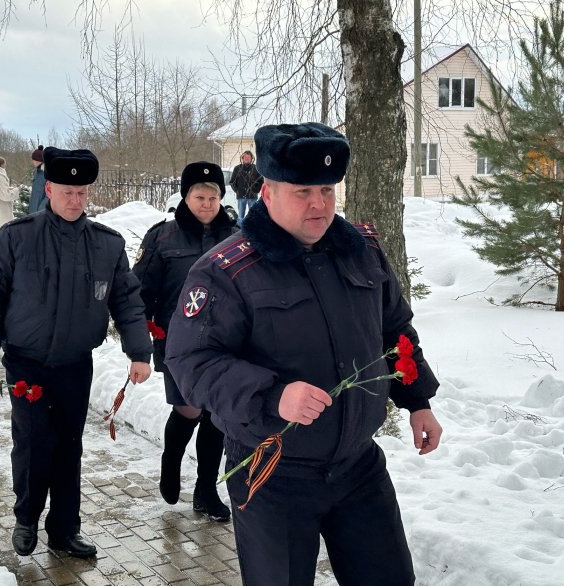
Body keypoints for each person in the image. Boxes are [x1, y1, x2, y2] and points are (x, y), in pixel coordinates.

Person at [165, 123, 443, 586]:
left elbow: (394, 330)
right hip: (272, 470)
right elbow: (192, 362)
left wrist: (417, 401)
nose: (319, 204)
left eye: (327, 190)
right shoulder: (225, 270)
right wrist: (273, 395)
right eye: (303, 191)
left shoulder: (362, 251)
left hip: (357, 466)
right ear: (268, 191)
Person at [0, 146, 153, 559]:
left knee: (69, 446)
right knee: (33, 443)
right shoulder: (17, 237)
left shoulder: (107, 245)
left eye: (81, 193)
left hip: (74, 365)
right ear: (48, 188)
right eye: (66, 191)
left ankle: (65, 529)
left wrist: (139, 352)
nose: (74, 200)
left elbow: (127, 301)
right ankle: (26, 519)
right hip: (25, 362)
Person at [133, 161, 237, 522]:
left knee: (216, 416)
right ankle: (171, 460)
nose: (207, 203)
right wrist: (142, 337)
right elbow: (140, 290)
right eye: (199, 196)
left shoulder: (237, 236)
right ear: (185, 196)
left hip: (226, 344)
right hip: (177, 342)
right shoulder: (162, 237)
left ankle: (206, 490)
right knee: (188, 409)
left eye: (213, 196)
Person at [228, 150, 262, 225]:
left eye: (248, 157)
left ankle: (252, 230)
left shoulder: (255, 168)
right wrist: (237, 190)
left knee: (253, 215)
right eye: (245, 157)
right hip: (241, 196)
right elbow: (232, 182)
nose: (247, 158)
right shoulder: (237, 168)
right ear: (242, 158)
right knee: (241, 216)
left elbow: (261, 180)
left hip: (252, 196)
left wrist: (256, 190)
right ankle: (240, 231)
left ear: (251, 158)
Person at [28, 145, 46, 214]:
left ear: (39, 160)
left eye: (34, 160)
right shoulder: (36, 172)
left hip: (41, 213)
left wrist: (41, 209)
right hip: (33, 211)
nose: (32, 161)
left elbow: (50, 195)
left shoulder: (47, 173)